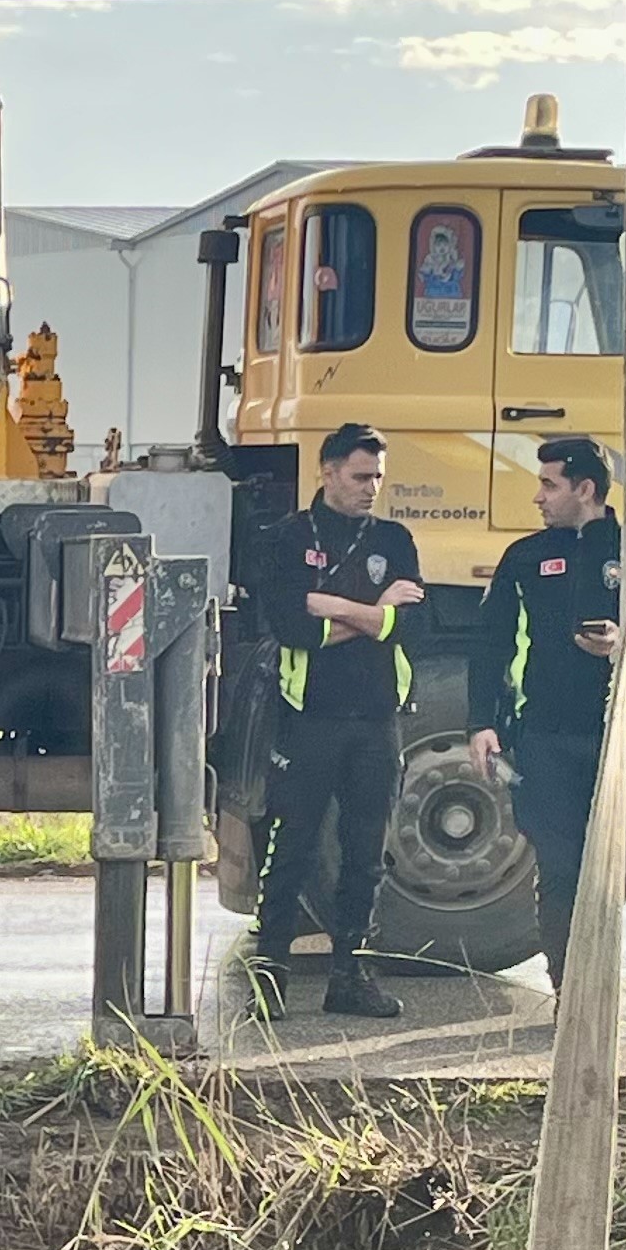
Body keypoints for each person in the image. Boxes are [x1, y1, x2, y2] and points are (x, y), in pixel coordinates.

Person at [468, 434, 626, 986]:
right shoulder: (525, 557)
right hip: (545, 736)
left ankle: (594, 964)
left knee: (619, 872)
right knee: (560, 869)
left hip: (615, 738)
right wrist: (482, 722)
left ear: (585, 489)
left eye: (548, 485)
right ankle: (571, 988)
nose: (538, 498)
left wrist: (623, 642)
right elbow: (491, 646)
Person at [263, 425, 423, 1019]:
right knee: (294, 848)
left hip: (378, 719)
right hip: (311, 719)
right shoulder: (287, 539)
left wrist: (331, 604)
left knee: (366, 856)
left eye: (378, 476)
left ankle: (351, 976)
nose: (371, 488)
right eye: (360, 477)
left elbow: (411, 628)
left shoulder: (395, 539)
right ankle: (270, 974)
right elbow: (291, 625)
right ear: (327, 472)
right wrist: (374, 612)